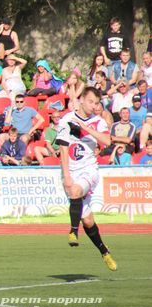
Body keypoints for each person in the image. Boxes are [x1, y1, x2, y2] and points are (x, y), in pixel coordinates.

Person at [55, 87, 116, 270]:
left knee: (75, 191)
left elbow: (107, 141)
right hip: (70, 171)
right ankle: (104, 251)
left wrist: (85, 128)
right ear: (81, 100)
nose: (93, 106)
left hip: (89, 169)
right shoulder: (67, 119)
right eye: (90, 102)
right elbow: (63, 148)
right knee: (88, 221)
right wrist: (67, 175)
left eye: (96, 103)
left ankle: (73, 232)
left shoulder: (98, 121)